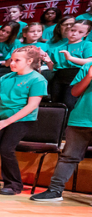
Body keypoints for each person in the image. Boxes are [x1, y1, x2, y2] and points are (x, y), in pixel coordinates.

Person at [0, 47, 48, 195]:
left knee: (6, 149)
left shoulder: (37, 79)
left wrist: (7, 122)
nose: (12, 63)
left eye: (17, 60)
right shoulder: (5, 78)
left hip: (21, 119)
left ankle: (13, 184)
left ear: (29, 61)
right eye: (11, 60)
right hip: (1, 119)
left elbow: (32, 105)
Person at [32, 60, 92, 201]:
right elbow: (75, 92)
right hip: (80, 119)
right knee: (68, 156)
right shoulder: (87, 66)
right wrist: (89, 76)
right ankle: (55, 191)